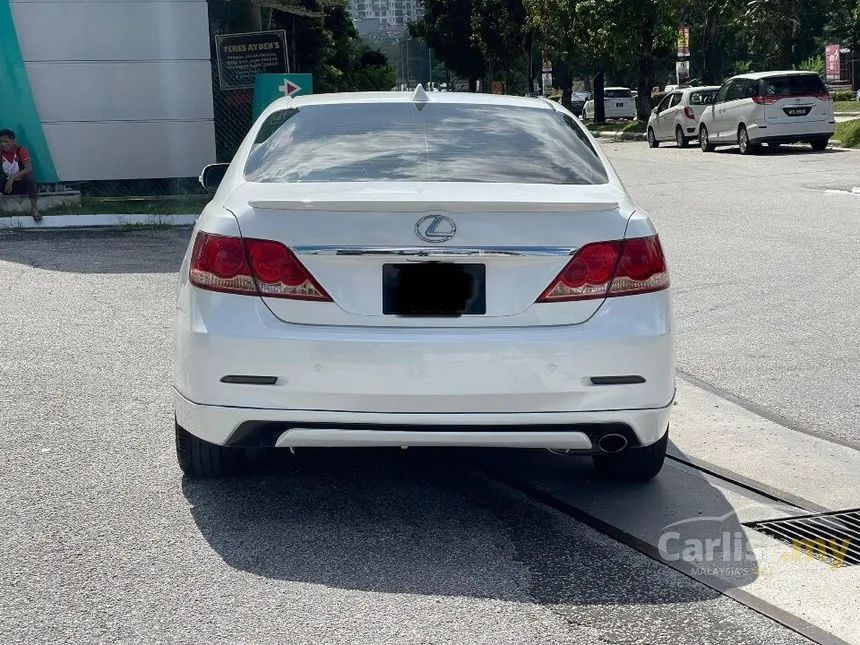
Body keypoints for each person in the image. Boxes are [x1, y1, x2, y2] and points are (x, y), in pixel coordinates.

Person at [0, 129, 41, 221]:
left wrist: (12, 178)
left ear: (13, 141)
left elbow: (28, 168)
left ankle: (34, 208)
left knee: (30, 178)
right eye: (1, 142)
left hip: (20, 185)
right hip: (5, 186)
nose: (3, 144)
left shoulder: (21, 150)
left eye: (6, 141)